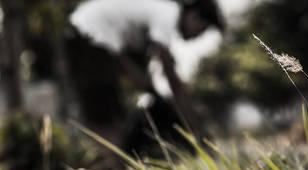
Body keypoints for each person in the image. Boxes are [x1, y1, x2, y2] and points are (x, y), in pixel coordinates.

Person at [67, 0, 225, 152]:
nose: (197, 36)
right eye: (201, 29)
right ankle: (110, 166)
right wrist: (194, 128)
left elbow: (130, 65)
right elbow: (172, 80)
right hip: (90, 32)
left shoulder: (155, 18)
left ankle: (110, 164)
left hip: (86, 33)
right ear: (194, 15)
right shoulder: (168, 13)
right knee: (106, 112)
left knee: (108, 112)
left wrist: (151, 90)